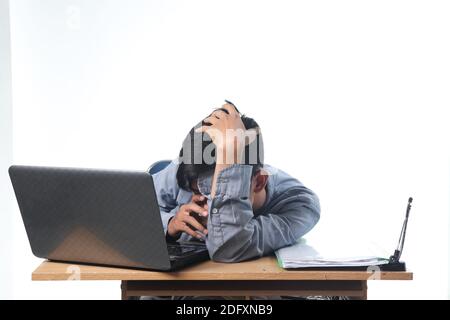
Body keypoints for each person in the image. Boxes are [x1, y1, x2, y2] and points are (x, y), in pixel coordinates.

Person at [153, 101, 320, 262]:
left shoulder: (301, 206)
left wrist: (229, 153)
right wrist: (170, 224)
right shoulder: (188, 170)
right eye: (197, 193)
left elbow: (228, 248)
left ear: (259, 182)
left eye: (213, 193)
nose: (207, 202)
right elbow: (134, 210)